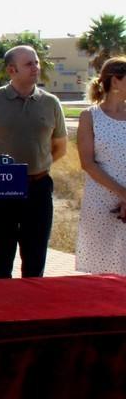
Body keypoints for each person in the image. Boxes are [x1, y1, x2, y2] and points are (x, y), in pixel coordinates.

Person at [0, 45, 67, 278]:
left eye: (36, 62)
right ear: (12, 70)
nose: (36, 67)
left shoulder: (50, 102)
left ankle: (31, 311)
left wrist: (38, 166)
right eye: (29, 64)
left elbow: (60, 147)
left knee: (35, 263)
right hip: (1, 191)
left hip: (39, 189)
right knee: (1, 262)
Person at [75, 56, 126, 274]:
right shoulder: (90, 116)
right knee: (102, 274)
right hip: (101, 203)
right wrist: (123, 194)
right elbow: (87, 163)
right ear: (116, 81)